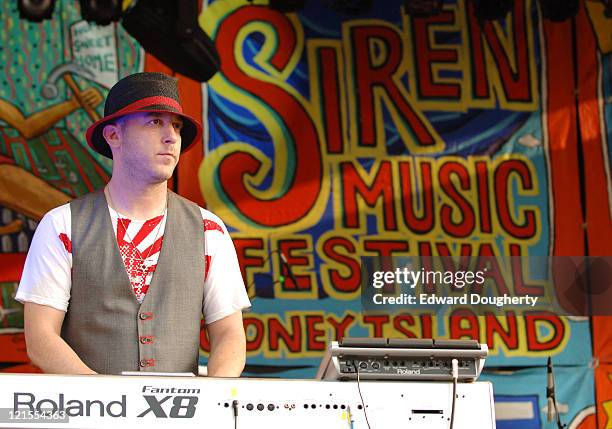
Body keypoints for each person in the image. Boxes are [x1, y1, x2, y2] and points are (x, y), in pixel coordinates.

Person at [15, 72, 250, 376]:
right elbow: (41, 339)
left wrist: (213, 404)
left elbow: (229, 334)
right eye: (155, 122)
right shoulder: (62, 225)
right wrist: (108, 404)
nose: (171, 137)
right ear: (114, 135)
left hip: (184, 421)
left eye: (176, 126)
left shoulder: (208, 230)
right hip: (89, 418)